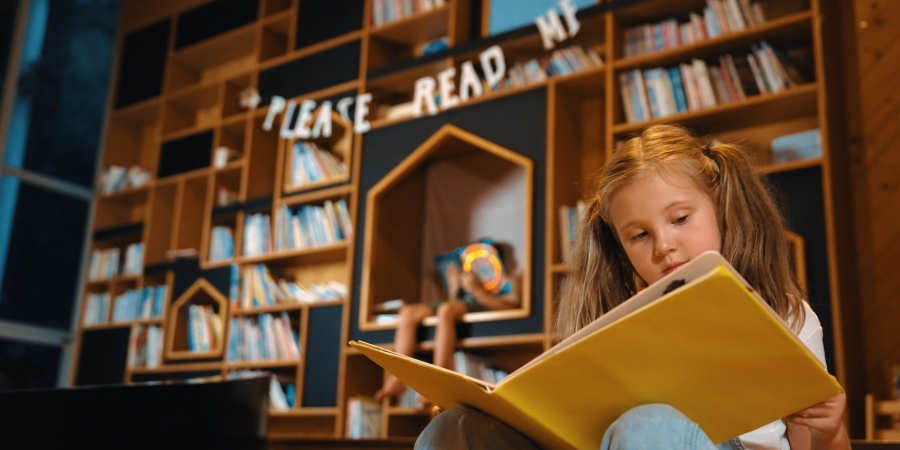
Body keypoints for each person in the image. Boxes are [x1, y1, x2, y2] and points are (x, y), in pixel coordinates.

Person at [414, 124, 850, 450]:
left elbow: (813, 440)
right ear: (621, 247)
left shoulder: (788, 315)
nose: (664, 246)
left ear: (722, 210)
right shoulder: (614, 322)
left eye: (680, 219)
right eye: (639, 235)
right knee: (452, 429)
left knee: (652, 424)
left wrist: (829, 431)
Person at [375, 240, 520, 401]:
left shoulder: (508, 280)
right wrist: (453, 289)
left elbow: (510, 308)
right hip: (462, 304)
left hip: (485, 301)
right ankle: (397, 377)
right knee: (408, 312)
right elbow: (454, 304)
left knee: (446, 311)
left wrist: (477, 291)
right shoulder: (468, 276)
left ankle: (438, 380)